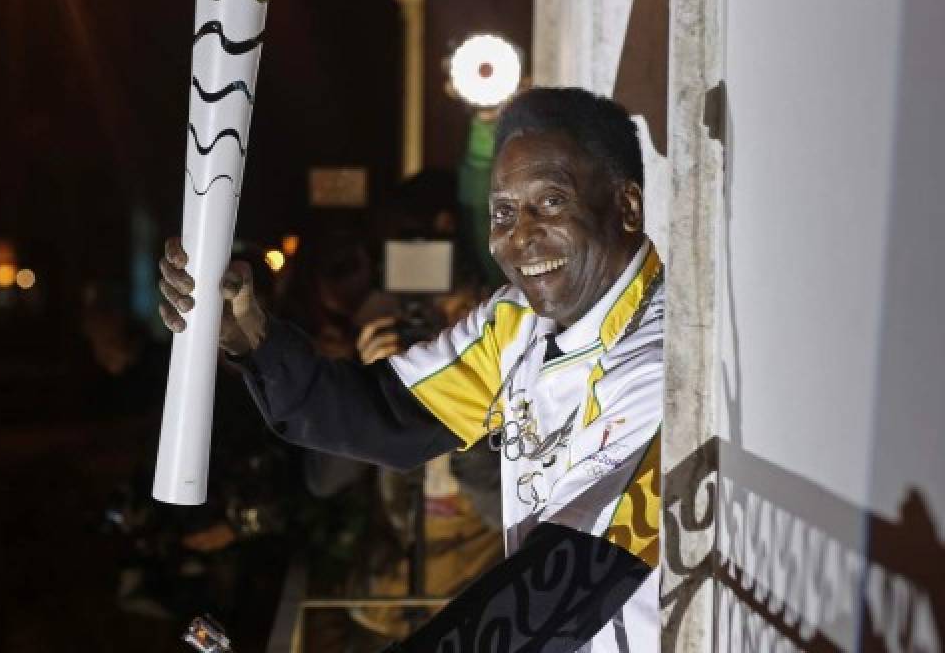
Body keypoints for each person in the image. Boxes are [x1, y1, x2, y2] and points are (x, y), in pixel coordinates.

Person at [159, 87, 663, 652]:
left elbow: (564, 583)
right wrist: (249, 333)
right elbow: (387, 416)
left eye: (550, 202)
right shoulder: (514, 321)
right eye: (503, 211)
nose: (520, 236)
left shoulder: (657, 365)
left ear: (626, 206)